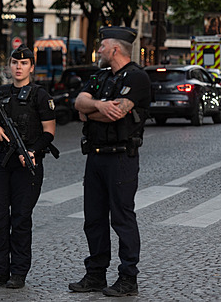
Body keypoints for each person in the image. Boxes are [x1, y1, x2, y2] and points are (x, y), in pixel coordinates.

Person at [69, 26, 150, 297]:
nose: (99, 50)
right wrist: (100, 106)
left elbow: (117, 113)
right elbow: (79, 102)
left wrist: (93, 112)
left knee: (122, 218)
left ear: (115, 49)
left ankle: (128, 278)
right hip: (95, 156)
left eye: (102, 46)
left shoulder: (137, 78)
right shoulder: (101, 77)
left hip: (121, 158)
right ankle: (96, 274)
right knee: (93, 219)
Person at [0, 44, 56, 290]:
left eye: (23, 63)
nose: (18, 67)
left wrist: (33, 152)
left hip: (26, 163)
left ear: (32, 67)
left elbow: (49, 131)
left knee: (20, 219)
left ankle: (18, 272)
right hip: (0, 162)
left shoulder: (40, 96)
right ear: (9, 66)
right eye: (14, 63)